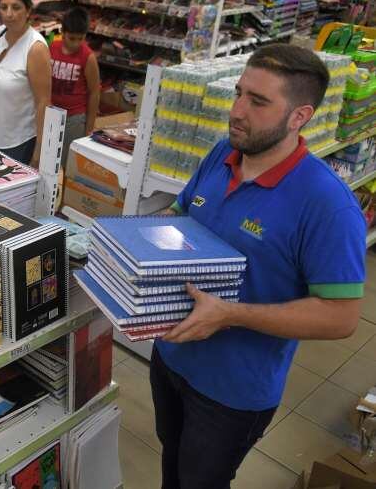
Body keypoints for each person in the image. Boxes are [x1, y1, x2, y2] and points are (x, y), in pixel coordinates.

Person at [152, 44, 366, 488]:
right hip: (171, 355)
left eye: (258, 101)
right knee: (171, 466)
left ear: (299, 116)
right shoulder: (221, 154)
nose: (237, 111)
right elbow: (178, 215)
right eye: (238, 93)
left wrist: (232, 314)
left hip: (231, 391)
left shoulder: (327, 204)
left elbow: (341, 315)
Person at [0, 0, 51, 167]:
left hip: (17, 142)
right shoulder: (0, 36)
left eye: (16, 7)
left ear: (28, 11)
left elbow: (44, 102)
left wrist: (39, 152)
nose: (9, 14)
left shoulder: (35, 48)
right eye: (4, 7)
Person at [50, 7, 100, 166]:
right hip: (51, 113)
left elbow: (94, 92)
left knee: (69, 163)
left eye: (81, 39)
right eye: (72, 38)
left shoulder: (88, 57)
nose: (76, 43)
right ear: (63, 32)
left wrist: (89, 128)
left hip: (74, 118)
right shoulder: (52, 48)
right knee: (49, 158)